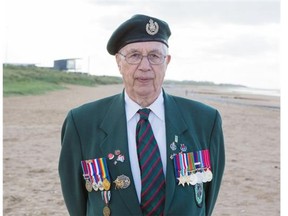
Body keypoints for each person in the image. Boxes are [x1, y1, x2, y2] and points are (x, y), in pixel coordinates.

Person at [59, 14, 225, 216]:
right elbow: (76, 203)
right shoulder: (82, 123)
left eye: (155, 56)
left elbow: (206, 200)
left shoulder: (205, 121)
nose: (145, 66)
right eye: (134, 55)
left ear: (167, 62)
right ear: (119, 63)